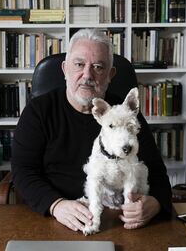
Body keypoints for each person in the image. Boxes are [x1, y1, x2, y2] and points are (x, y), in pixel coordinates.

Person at [11, 28, 172, 232]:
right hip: (56, 218)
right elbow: (22, 171)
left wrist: (155, 203)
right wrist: (55, 205)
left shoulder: (125, 115)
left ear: (110, 74)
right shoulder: (39, 111)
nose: (87, 75)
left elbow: (157, 171)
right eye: (79, 64)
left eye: (98, 67)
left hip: (117, 222)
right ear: (64, 69)